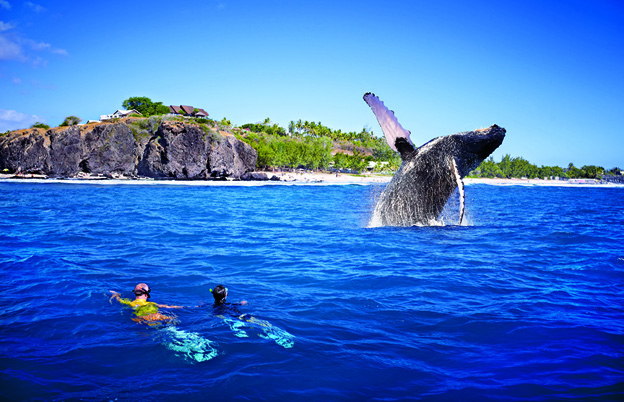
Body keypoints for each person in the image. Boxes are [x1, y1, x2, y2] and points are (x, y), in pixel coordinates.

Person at [208, 284, 294, 348]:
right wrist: (244, 302)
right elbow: (243, 303)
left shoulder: (212, 306)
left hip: (227, 316)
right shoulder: (230, 304)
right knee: (264, 323)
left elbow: (202, 306)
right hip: (241, 316)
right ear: (225, 295)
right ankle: (278, 335)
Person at [110, 283, 182, 325]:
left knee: (137, 320)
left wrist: (116, 294)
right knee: (170, 319)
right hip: (156, 315)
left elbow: (118, 299)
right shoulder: (152, 303)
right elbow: (168, 307)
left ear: (135, 293)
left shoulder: (130, 303)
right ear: (146, 295)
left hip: (143, 318)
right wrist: (182, 306)